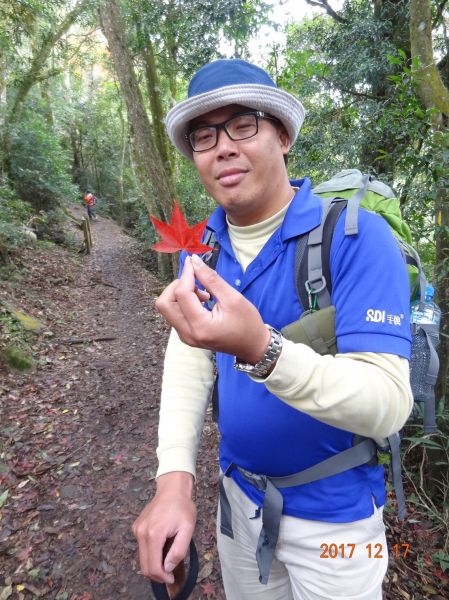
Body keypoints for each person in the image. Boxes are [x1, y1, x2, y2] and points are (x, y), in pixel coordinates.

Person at [133, 59, 413, 600]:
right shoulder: (201, 249)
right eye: (204, 135)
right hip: (240, 508)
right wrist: (173, 482)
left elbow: (387, 402)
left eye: (244, 124)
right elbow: (189, 362)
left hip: (339, 525)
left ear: (282, 135)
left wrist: (261, 348)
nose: (223, 147)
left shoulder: (356, 239)